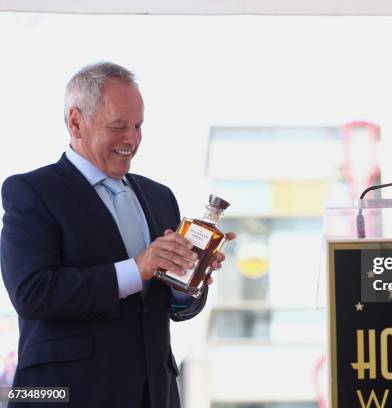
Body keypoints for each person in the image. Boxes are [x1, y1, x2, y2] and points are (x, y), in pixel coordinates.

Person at [0, 62, 235, 407]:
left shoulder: (160, 197)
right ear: (76, 121)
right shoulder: (32, 191)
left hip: (155, 394)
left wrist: (188, 279)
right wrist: (137, 268)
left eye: (139, 126)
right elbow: (33, 293)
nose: (133, 139)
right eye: (119, 126)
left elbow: (172, 307)